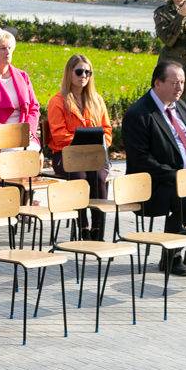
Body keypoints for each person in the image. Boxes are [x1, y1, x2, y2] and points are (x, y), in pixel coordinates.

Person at [123, 60, 186, 276]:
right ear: (157, 83)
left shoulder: (180, 107)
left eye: (182, 82)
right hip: (152, 185)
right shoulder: (139, 114)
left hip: (184, 179)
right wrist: (178, 177)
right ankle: (171, 257)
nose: (179, 88)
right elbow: (140, 160)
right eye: (174, 83)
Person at [47, 54, 112, 241]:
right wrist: (81, 143)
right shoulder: (57, 101)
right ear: (69, 73)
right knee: (80, 178)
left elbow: (106, 130)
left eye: (88, 72)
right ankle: (83, 227)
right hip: (67, 155)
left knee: (99, 177)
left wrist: (101, 144)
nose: (84, 76)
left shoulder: (97, 100)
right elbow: (59, 135)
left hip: (94, 155)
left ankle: (98, 230)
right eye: (79, 71)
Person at [154, 0, 186, 105]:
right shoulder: (162, 12)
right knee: (170, 104)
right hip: (173, 67)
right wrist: (180, 16)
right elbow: (168, 40)